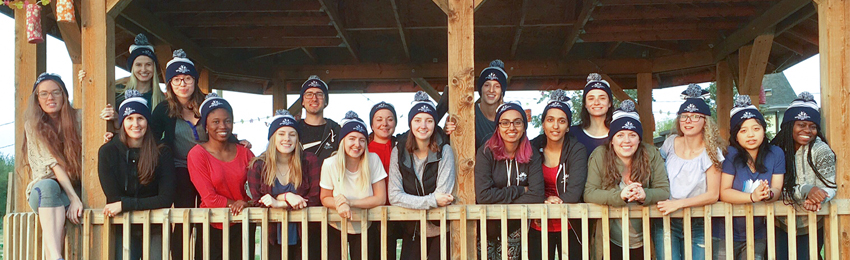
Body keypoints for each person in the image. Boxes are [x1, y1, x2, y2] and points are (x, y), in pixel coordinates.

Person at [584, 100, 670, 260]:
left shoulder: (651, 154)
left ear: (639, 139)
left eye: (632, 135)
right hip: (610, 239)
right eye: (620, 135)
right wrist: (620, 196)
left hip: (644, 238)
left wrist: (645, 195)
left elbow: (664, 190)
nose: (627, 140)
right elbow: (589, 193)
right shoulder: (600, 155)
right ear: (612, 139)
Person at [98, 90, 175, 260]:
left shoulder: (162, 152)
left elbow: (165, 199)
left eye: (140, 118)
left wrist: (125, 204)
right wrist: (124, 205)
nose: (136, 124)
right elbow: (113, 198)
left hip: (156, 225)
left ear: (147, 121)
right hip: (124, 225)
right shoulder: (108, 151)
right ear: (122, 122)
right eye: (129, 119)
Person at [651, 84, 725, 260]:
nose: (688, 121)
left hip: (698, 220)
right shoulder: (669, 143)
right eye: (684, 116)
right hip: (667, 219)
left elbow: (713, 194)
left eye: (694, 117)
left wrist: (678, 204)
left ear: (705, 121)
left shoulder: (712, 151)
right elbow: (653, 169)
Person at [150, 49, 207, 258]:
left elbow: (222, 130)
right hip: (179, 167)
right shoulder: (163, 109)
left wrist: (238, 142)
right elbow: (150, 140)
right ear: (170, 84)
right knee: (183, 217)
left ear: (195, 80)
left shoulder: (208, 103)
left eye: (187, 78)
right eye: (177, 79)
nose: (182, 84)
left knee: (205, 217)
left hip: (207, 168)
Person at [713, 95, 784, 260]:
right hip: (724, 232)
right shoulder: (729, 154)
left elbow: (777, 188)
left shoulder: (776, 153)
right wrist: (753, 196)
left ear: (764, 130)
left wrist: (768, 194)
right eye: (743, 130)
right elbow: (724, 192)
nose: (751, 135)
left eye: (756, 129)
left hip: (757, 233)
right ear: (735, 135)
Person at [187, 93, 256, 260]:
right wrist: (240, 205)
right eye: (215, 122)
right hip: (211, 226)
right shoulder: (197, 154)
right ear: (206, 126)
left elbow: (258, 190)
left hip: (243, 226)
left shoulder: (245, 153)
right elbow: (210, 198)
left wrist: (247, 203)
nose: (222, 126)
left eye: (227, 121)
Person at [388, 91, 456, 259]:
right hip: (413, 229)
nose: (423, 126)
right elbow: (394, 195)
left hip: (441, 229)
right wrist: (432, 200)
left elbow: (444, 195)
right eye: (417, 120)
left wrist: (414, 201)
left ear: (435, 124)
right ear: (410, 123)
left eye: (429, 120)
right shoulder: (398, 151)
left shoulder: (444, 150)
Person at [22, 73, 83, 260]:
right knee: (48, 186)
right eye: (44, 94)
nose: (50, 98)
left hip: (73, 188)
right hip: (43, 193)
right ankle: (56, 257)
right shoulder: (32, 125)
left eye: (56, 92)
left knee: (58, 217)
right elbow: (54, 166)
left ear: (64, 95)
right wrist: (74, 199)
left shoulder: (79, 117)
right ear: (37, 99)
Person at [247, 109, 322, 260]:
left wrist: (280, 202)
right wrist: (287, 196)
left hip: (306, 235)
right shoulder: (258, 166)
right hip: (273, 236)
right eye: (281, 134)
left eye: (292, 134)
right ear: (273, 137)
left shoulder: (309, 161)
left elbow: (314, 199)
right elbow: (257, 202)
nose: (287, 138)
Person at [475, 101, 544, 260]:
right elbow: (483, 196)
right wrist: (520, 190)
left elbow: (537, 195)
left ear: (524, 126)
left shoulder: (531, 154)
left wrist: (498, 199)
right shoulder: (486, 152)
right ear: (498, 126)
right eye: (505, 122)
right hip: (487, 227)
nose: (511, 127)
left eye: (517, 122)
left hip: (516, 227)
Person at [770, 92, 835, 260]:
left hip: (811, 222)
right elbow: (774, 190)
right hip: (779, 222)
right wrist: (806, 190)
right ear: (789, 125)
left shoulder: (821, 150)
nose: (807, 130)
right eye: (801, 124)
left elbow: (831, 186)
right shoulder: (776, 150)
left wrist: (819, 198)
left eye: (813, 126)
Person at [528, 89, 588, 260]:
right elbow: (526, 186)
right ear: (543, 124)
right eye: (550, 120)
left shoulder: (577, 149)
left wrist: (553, 202)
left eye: (561, 121)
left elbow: (575, 191)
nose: (555, 126)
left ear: (568, 126)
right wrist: (543, 201)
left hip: (569, 224)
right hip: (537, 223)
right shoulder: (531, 148)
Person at [319, 111, 387, 260]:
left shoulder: (373, 159)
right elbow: (324, 197)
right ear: (343, 140)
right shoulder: (330, 163)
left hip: (366, 226)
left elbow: (381, 198)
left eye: (362, 140)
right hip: (335, 226)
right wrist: (339, 203)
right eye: (352, 139)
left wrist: (349, 203)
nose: (357, 144)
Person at [80, 33, 166, 129]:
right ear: (132, 67)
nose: (143, 69)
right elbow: (94, 103)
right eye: (138, 65)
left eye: (148, 64)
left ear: (154, 67)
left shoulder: (161, 99)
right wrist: (85, 82)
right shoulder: (117, 91)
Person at [366, 101, 403, 259]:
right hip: (370, 212)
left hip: (396, 212)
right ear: (372, 124)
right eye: (379, 119)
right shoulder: (363, 148)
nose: (384, 124)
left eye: (390, 119)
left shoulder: (401, 146)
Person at [443, 60, 507, 150]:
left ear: (502, 91)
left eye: (497, 86)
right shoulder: (467, 112)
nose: (491, 90)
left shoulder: (509, 114)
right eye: (487, 85)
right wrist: (446, 130)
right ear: (480, 89)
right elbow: (446, 142)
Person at [298, 75, 341, 162]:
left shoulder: (336, 130)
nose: (314, 99)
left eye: (319, 94)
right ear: (302, 101)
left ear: (325, 101)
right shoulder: (293, 129)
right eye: (309, 94)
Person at [571, 73, 614, 157]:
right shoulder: (572, 134)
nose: (596, 102)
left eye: (602, 98)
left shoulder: (619, 134)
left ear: (609, 103)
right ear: (585, 104)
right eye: (591, 98)